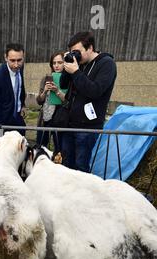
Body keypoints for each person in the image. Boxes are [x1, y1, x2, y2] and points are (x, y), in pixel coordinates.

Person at [60, 31, 117, 172]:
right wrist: (68, 67)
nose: (75, 55)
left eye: (77, 52)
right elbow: (63, 85)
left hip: (87, 128)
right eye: (72, 52)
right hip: (69, 124)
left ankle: (83, 194)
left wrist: (76, 72)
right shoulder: (79, 63)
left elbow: (95, 91)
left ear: (90, 48)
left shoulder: (107, 64)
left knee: (81, 167)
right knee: (66, 165)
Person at [0, 43, 27, 136]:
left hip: (17, 118)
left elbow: (21, 86)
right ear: (6, 57)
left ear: (23, 57)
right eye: (12, 60)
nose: (16, 65)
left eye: (19, 60)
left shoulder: (20, 68)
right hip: (2, 121)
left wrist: (22, 104)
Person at [36, 51, 67, 152]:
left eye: (60, 62)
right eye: (54, 63)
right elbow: (39, 101)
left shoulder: (68, 80)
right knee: (41, 147)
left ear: (65, 63)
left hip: (60, 118)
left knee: (59, 149)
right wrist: (45, 91)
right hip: (45, 118)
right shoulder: (46, 79)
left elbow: (68, 101)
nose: (56, 66)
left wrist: (57, 91)